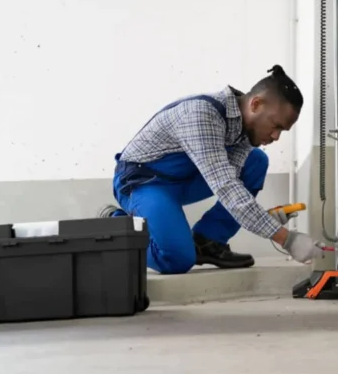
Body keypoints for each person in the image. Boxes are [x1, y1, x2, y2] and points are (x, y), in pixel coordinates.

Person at [98, 65, 325, 274]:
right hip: (144, 183)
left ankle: (208, 241)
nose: (276, 137)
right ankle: (117, 224)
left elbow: (233, 184)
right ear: (256, 104)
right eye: (276, 126)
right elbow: (226, 188)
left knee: (255, 161)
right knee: (176, 259)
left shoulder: (245, 129)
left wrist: (264, 218)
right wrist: (287, 239)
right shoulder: (201, 114)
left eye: (282, 131)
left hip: (183, 180)